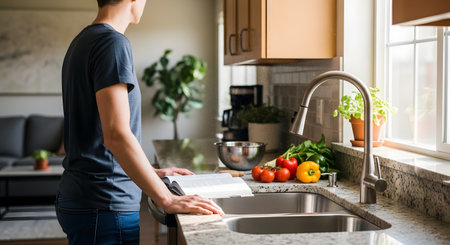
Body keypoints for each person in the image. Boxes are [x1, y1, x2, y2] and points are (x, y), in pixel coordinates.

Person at [56, 0, 224, 244]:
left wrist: (153, 173)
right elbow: (116, 135)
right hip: (104, 202)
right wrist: (167, 198)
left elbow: (100, 136)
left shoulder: (83, 41)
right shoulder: (111, 42)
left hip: (86, 196)